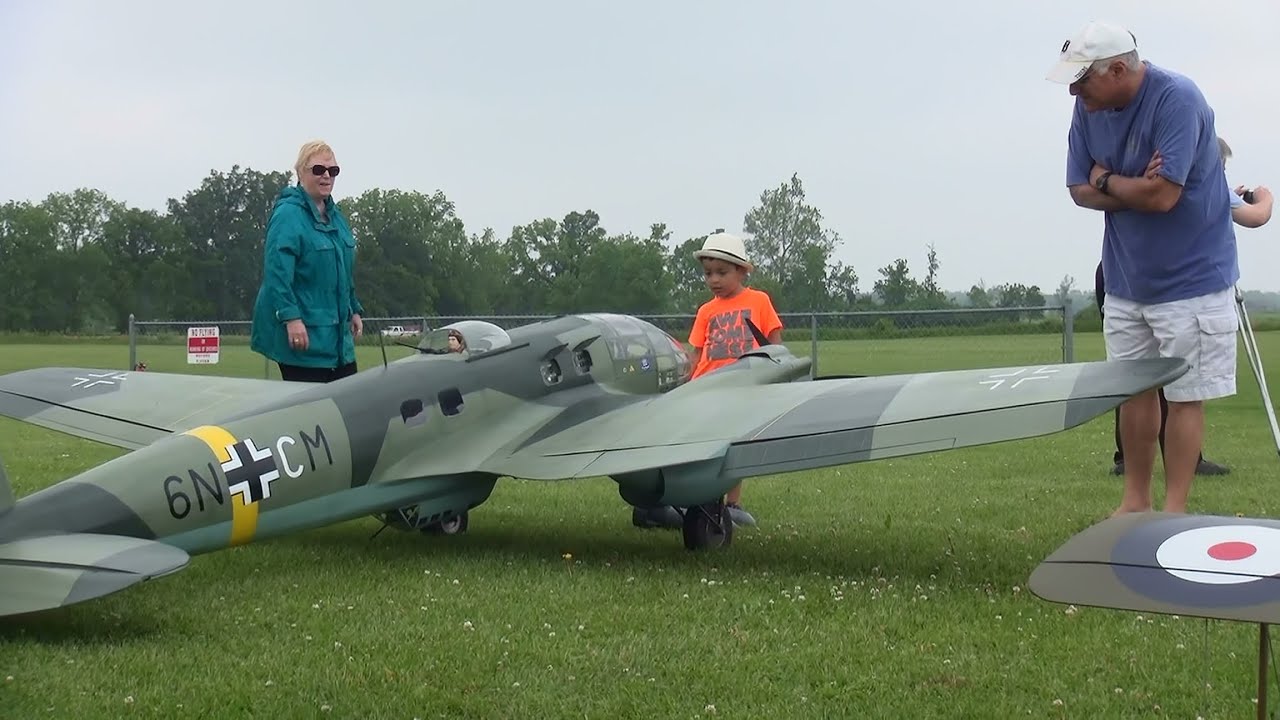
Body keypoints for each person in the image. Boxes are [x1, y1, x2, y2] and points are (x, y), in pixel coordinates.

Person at [1049, 21, 1239, 515]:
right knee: (1133, 392)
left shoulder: (1178, 99)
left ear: (1118, 69)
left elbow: (1163, 196)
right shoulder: (1087, 107)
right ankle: (1135, 502)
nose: (1073, 90)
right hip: (1127, 280)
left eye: (1082, 78)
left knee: (1185, 395)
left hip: (1192, 282)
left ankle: (1173, 510)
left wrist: (1107, 177)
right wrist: (1126, 183)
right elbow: (1077, 190)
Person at [631, 230, 783, 531]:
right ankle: (686, 497)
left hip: (744, 387)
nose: (714, 279)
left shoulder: (759, 301)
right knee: (697, 444)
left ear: (742, 270)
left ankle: (732, 504)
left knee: (736, 446)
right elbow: (695, 353)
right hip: (707, 387)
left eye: (722, 273)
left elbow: (774, 343)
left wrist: (775, 373)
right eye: (708, 273)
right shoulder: (706, 310)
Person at [250, 140, 364, 383]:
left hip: (337, 342)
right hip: (304, 341)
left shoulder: (337, 218)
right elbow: (277, 273)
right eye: (318, 170)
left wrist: (353, 309)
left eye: (333, 171)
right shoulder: (288, 215)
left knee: (349, 406)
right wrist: (291, 318)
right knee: (309, 415)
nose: (326, 176)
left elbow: (343, 273)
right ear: (300, 172)